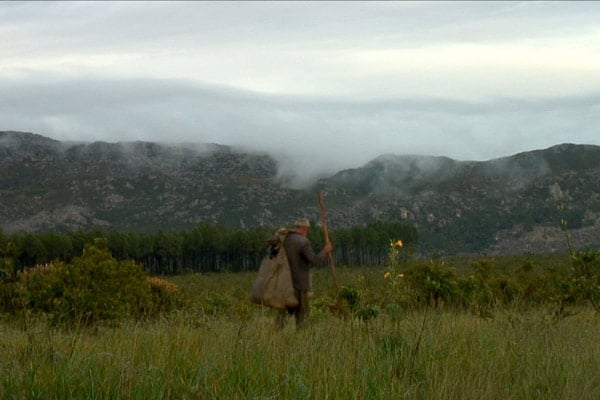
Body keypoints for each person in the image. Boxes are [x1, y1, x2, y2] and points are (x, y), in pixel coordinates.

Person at [276, 218, 333, 330]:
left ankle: (274, 339)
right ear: (304, 229)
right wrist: (326, 251)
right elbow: (314, 260)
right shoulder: (303, 242)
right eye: (307, 230)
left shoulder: (285, 239)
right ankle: (301, 340)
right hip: (299, 286)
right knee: (302, 317)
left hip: (284, 284)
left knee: (282, 316)